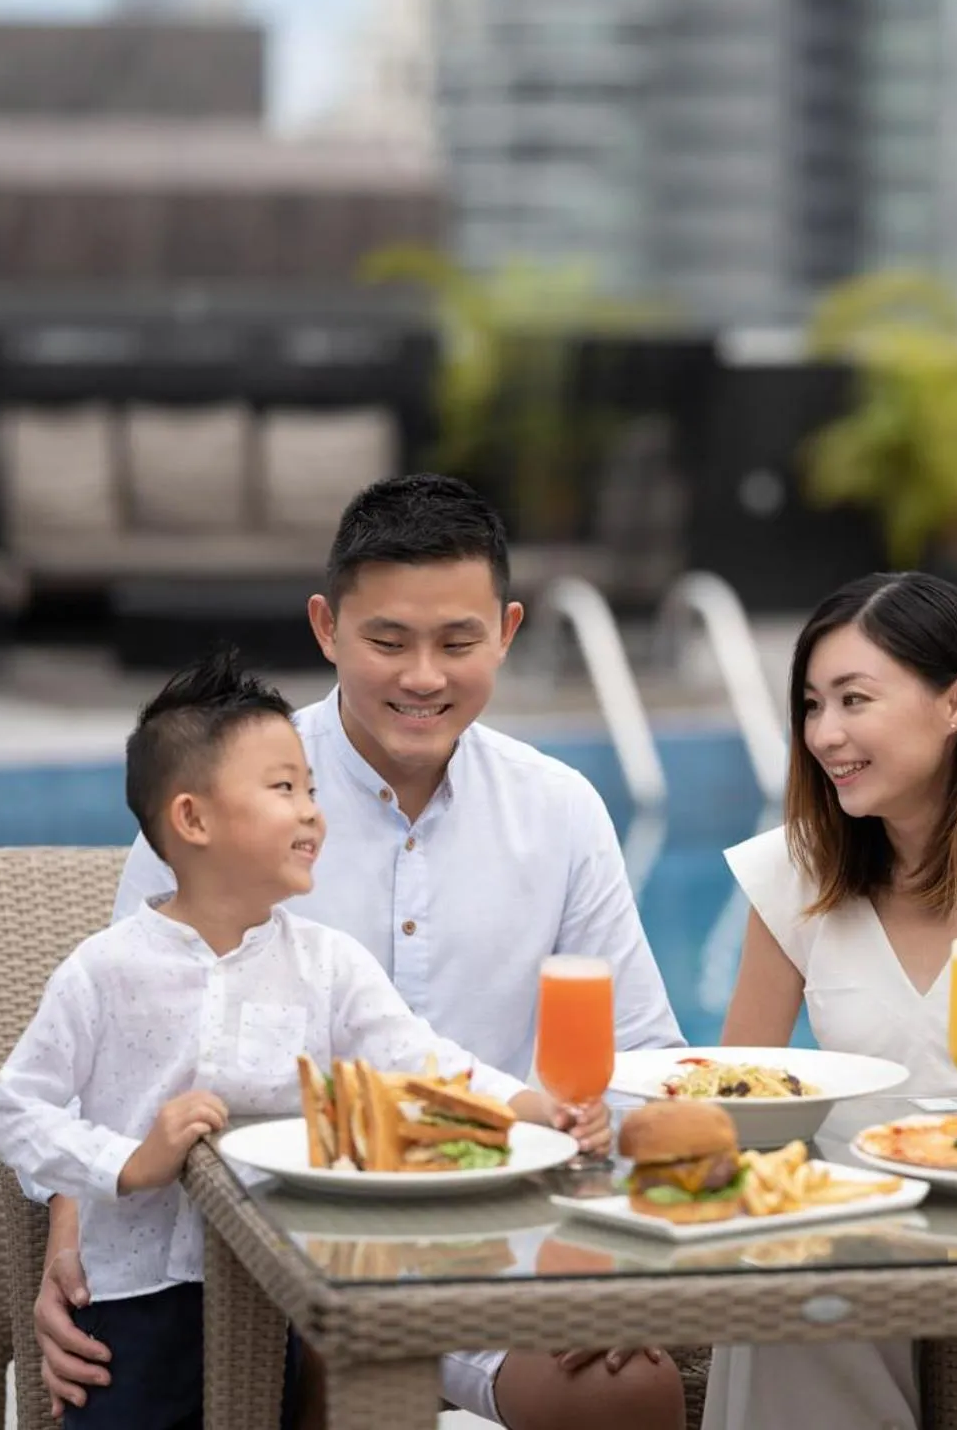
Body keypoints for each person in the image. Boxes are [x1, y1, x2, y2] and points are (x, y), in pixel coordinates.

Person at [35, 474, 686, 1428]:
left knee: (636, 1392)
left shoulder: (561, 811)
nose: (423, 677)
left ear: (507, 631)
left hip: (497, 1248)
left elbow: (643, 1060)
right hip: (268, 1264)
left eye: (458, 642)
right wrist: (70, 1252)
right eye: (387, 641)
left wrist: (629, 1248)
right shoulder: (217, 800)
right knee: (335, 1382)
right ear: (325, 628)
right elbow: (110, 1074)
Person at [0, 652, 611, 1429]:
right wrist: (128, 1163)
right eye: (284, 789)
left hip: (272, 1296)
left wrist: (527, 1106)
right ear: (193, 819)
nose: (313, 811)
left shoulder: (327, 963)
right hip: (133, 1303)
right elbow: (11, 1111)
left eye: (311, 789)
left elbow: (420, 1062)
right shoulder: (105, 971)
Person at [707, 571, 957, 1430]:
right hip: (849, 1249)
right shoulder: (798, 874)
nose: (825, 734)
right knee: (796, 1277)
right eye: (813, 705)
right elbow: (743, 1103)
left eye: (855, 700)